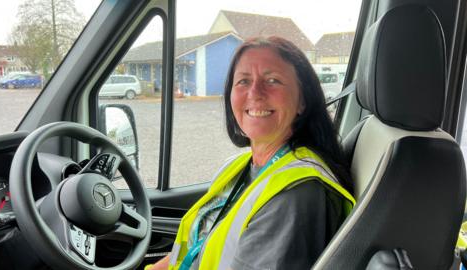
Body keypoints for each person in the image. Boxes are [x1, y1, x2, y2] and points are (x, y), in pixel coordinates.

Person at [147, 36, 356, 270]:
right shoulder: (240, 166)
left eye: (273, 80)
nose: (255, 92)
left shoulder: (296, 193)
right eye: (243, 81)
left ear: (302, 102)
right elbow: (195, 248)